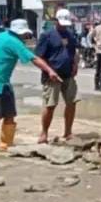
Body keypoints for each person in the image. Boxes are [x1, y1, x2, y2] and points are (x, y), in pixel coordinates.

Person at [0, 18, 62, 151]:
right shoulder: (15, 43)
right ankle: (6, 144)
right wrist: (50, 71)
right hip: (0, 81)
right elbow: (34, 58)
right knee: (9, 114)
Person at [36, 8, 79, 143]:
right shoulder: (47, 35)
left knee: (72, 102)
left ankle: (68, 131)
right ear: (56, 21)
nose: (64, 26)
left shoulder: (70, 35)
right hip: (52, 75)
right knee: (50, 105)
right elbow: (39, 57)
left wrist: (75, 65)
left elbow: (73, 52)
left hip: (68, 74)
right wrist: (49, 70)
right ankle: (44, 133)